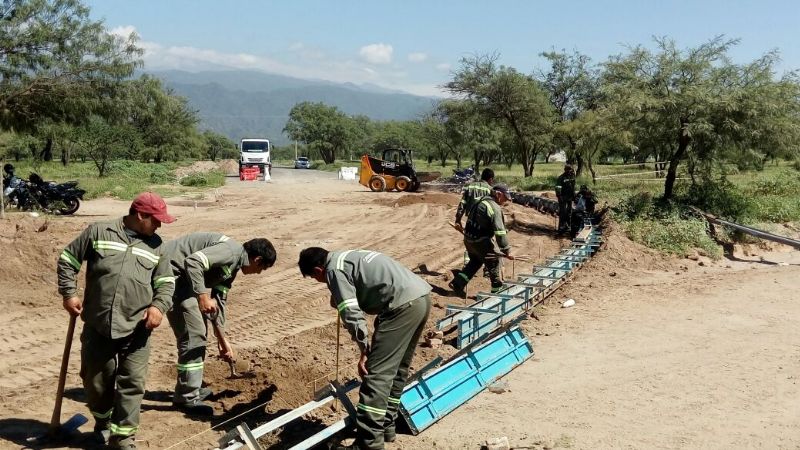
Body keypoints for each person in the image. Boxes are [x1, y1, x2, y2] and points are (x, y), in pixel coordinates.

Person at [57, 192, 176, 450]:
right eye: (156, 220)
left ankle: (123, 440)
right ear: (140, 215)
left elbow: (166, 284)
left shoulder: (158, 247)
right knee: (96, 382)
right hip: (98, 325)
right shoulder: (99, 232)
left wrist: (158, 307)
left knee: (132, 384)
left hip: (137, 329)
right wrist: (69, 293)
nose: (159, 225)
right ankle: (102, 424)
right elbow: (68, 259)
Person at [298, 248, 432, 450]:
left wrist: (364, 351)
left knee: (375, 376)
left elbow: (351, 314)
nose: (321, 283)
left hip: (401, 307)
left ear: (318, 271)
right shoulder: (346, 257)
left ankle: (368, 444)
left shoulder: (334, 270)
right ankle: (386, 427)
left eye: (316, 279)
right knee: (396, 370)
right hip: (420, 298)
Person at [164, 233, 276, 415]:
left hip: (184, 281)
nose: (259, 273)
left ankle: (191, 388)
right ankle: (186, 397)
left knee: (200, 331)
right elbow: (193, 262)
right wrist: (202, 296)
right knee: (194, 335)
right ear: (257, 259)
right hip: (171, 275)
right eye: (261, 268)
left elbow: (219, 303)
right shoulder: (231, 253)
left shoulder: (233, 267)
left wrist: (223, 341)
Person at [449, 183, 514, 296]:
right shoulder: (494, 207)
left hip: (468, 239)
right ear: (498, 194)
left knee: (476, 261)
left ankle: (458, 282)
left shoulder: (478, 200)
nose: (505, 201)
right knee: (493, 260)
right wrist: (506, 251)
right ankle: (497, 289)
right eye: (505, 198)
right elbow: (500, 233)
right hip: (481, 241)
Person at [454, 167, 494, 232]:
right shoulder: (490, 189)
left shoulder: (470, 186)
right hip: (484, 223)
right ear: (490, 179)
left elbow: (462, 203)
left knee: (469, 239)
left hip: (470, 221)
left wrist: (458, 220)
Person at [555, 165, 576, 235]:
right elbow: (558, 187)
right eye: (569, 170)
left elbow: (573, 187)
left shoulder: (572, 177)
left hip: (569, 197)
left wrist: (574, 196)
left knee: (569, 213)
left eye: (571, 170)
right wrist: (559, 196)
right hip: (563, 197)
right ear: (565, 170)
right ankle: (561, 228)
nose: (570, 171)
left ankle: (568, 227)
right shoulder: (561, 178)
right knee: (563, 213)